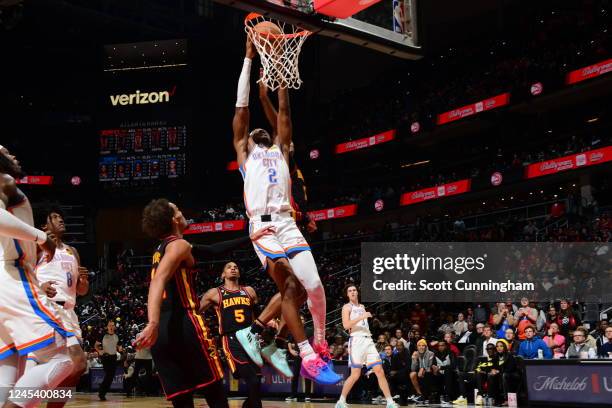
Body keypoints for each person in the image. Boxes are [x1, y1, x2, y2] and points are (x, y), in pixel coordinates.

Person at [231, 36, 338, 384]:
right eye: (250, 132)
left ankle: (319, 344)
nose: (255, 131)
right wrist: (249, 59)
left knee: (315, 287)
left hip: (288, 225)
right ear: (245, 142)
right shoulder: (245, 156)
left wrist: (278, 72)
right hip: (262, 229)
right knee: (290, 285)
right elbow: (242, 109)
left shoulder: (281, 150)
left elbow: (285, 114)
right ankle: (304, 354)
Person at [0, 145, 77, 408]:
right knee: (65, 359)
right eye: (7, 152)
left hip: (6, 284)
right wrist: (41, 237)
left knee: (8, 373)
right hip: (15, 277)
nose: (14, 156)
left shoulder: (72, 252)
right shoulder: (4, 179)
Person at [136, 199, 230, 408]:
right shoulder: (179, 244)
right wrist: (151, 322)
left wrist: (251, 237)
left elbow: (213, 250)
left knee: (182, 398)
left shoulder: (161, 249)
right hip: (185, 322)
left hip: (162, 333)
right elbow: (158, 280)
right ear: (174, 219)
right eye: (178, 209)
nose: (183, 211)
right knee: (214, 390)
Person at [199, 261, 290, 408]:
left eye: (236, 267)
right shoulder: (214, 293)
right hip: (231, 339)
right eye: (229, 267)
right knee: (252, 380)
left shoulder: (249, 291)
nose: (233, 268)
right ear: (223, 275)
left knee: (256, 382)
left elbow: (259, 313)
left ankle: (248, 405)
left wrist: (269, 320)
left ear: (239, 273)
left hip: (250, 338)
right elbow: (195, 312)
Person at [26, 206, 89, 408]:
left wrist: (83, 283)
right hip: (48, 308)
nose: (60, 219)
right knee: (77, 362)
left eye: (61, 217)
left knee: (73, 368)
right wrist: (40, 286)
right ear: (44, 225)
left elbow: (81, 291)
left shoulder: (73, 251)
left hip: (69, 312)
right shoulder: (37, 246)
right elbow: (22, 274)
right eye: (54, 217)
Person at [335, 284, 398, 408]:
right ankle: (341, 401)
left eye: (354, 290)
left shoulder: (362, 306)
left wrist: (364, 317)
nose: (352, 292)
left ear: (357, 292)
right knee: (355, 374)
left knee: (379, 371)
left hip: (368, 340)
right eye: (350, 291)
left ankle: (390, 402)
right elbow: (346, 325)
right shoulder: (346, 307)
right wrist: (362, 317)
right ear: (347, 294)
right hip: (356, 340)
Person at [96, 321, 121, 401]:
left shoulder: (117, 336)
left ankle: (102, 390)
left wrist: (120, 348)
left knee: (110, 376)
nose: (111, 327)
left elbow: (118, 346)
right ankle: (101, 393)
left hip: (113, 357)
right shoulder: (103, 335)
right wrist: (99, 351)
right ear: (107, 327)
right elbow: (96, 345)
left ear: (114, 327)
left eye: (112, 325)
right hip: (106, 357)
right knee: (109, 374)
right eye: (109, 325)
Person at [408, 339, 435, 404]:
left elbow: (429, 366)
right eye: (419, 345)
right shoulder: (416, 353)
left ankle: (427, 395)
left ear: (426, 347)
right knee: (412, 374)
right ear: (417, 347)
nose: (421, 347)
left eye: (423, 345)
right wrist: (414, 359)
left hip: (429, 371)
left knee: (423, 373)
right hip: (419, 372)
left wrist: (422, 368)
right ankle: (419, 394)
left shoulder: (431, 353)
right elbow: (413, 369)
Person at [431, 340, 457, 405]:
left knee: (448, 371)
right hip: (439, 373)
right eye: (439, 346)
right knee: (431, 373)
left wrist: (440, 368)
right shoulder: (436, 354)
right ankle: (434, 394)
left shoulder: (451, 353)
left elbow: (453, 366)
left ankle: (447, 395)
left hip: (451, 373)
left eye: (442, 345)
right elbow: (434, 364)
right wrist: (434, 368)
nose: (440, 347)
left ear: (446, 346)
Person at [496, 339, 520, 406]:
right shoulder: (496, 356)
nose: (499, 348)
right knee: (491, 376)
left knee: (505, 375)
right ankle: (494, 398)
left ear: (504, 347)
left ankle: (507, 399)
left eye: (501, 346)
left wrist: (499, 371)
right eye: (497, 346)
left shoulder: (509, 356)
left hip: (513, 374)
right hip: (503, 374)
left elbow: (510, 369)